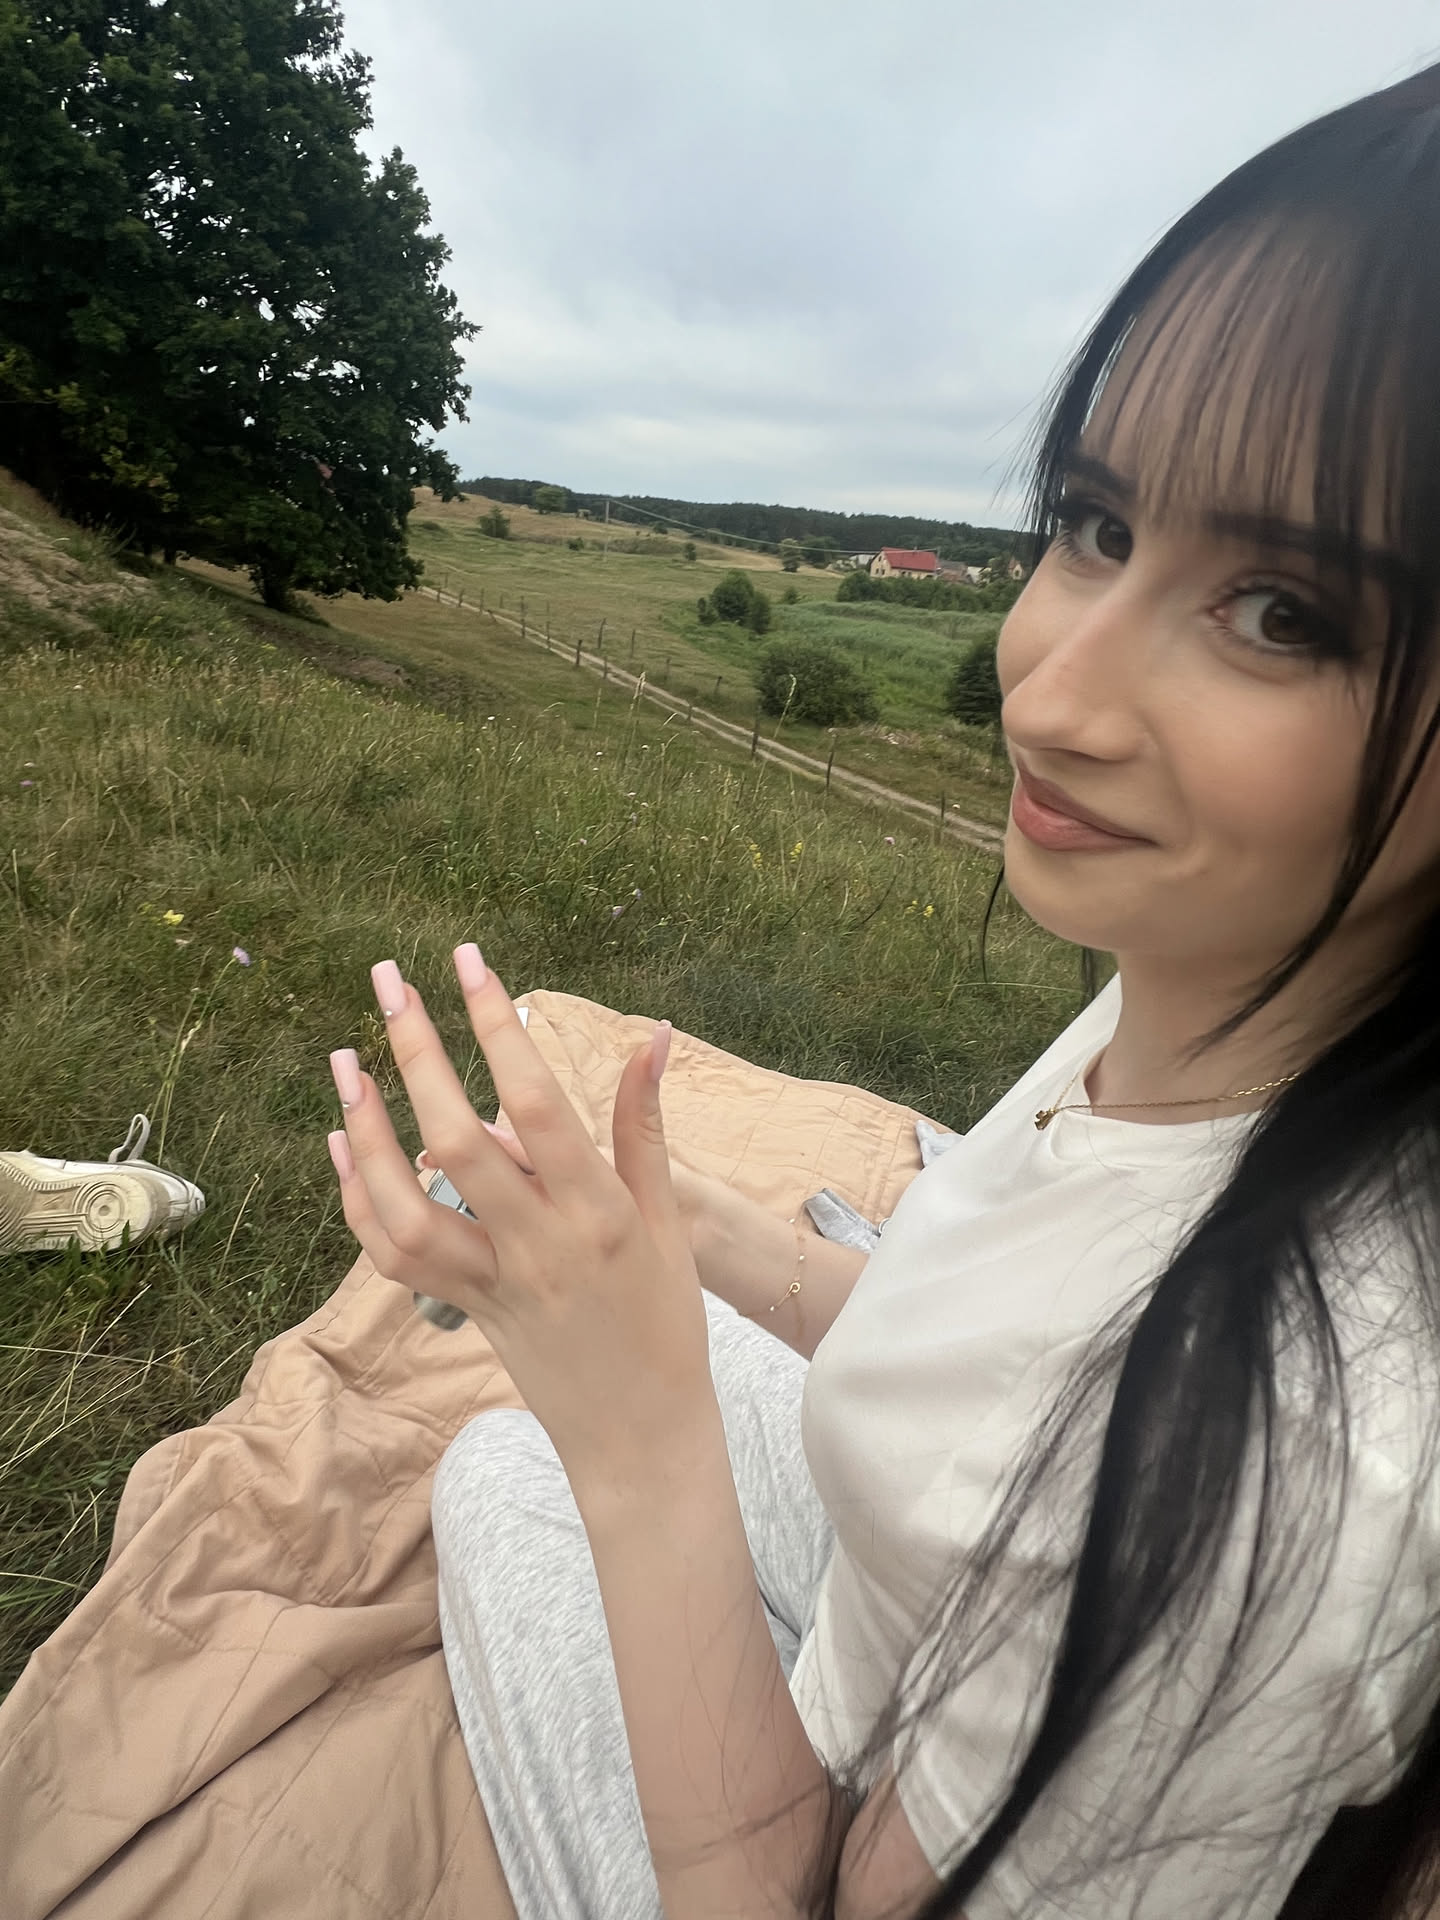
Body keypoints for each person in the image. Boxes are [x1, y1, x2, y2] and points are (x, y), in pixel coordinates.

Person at [323, 60, 1440, 1920]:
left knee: (509, 1478)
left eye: (1283, 613)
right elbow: (989, 1395)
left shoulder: (1299, 1468)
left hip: (812, 1858)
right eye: (1097, 523)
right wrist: (686, 1230)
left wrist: (643, 1450)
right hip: (925, 1635)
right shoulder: (1231, 963)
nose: (1049, 692)